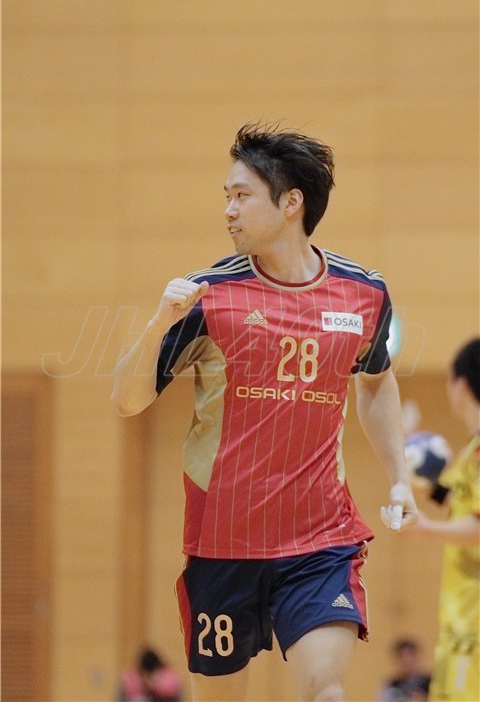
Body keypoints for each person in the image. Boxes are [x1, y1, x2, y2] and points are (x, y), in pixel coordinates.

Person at [112, 123, 418, 702]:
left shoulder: (363, 293)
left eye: (242, 195)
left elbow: (376, 382)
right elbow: (127, 401)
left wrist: (400, 477)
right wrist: (158, 323)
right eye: (226, 196)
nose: (228, 210)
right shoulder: (208, 296)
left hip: (321, 540)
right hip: (222, 544)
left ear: (290, 202)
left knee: (327, 691)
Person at [407, 338, 480, 702]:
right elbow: (461, 504)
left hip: (474, 626)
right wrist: (408, 452)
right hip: (459, 624)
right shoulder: (472, 450)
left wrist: (424, 529)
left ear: (461, 384)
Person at [117, 646, 182, 702]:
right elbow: (126, 694)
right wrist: (143, 683)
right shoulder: (132, 676)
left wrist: (154, 685)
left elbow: (171, 691)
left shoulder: (168, 675)